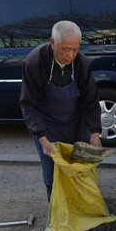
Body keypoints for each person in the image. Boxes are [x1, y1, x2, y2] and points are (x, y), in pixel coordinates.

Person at [20, 21, 102, 202]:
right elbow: (28, 104)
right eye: (66, 49)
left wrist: (94, 133)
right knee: (52, 170)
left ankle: (81, 206)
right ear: (52, 42)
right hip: (48, 127)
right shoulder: (35, 62)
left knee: (81, 167)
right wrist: (42, 138)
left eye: (75, 49)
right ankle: (56, 208)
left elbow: (91, 100)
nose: (70, 55)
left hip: (76, 124)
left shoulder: (82, 63)